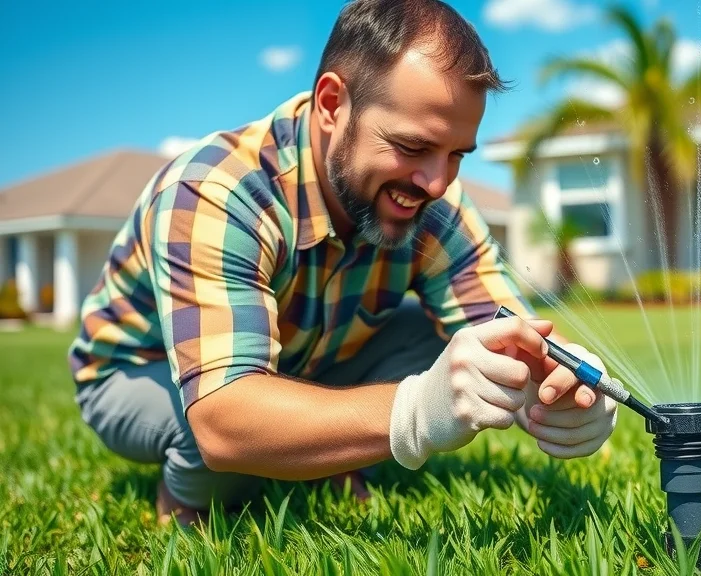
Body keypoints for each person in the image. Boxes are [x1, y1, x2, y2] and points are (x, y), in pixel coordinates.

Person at [67, 0, 617, 528]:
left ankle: (323, 453)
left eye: (456, 155)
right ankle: (186, 500)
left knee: (453, 344)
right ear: (332, 104)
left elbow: (510, 337)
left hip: (301, 360)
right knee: (227, 448)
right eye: (411, 145)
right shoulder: (219, 191)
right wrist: (415, 413)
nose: (437, 183)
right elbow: (222, 414)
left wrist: (562, 391)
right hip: (142, 372)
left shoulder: (432, 203)